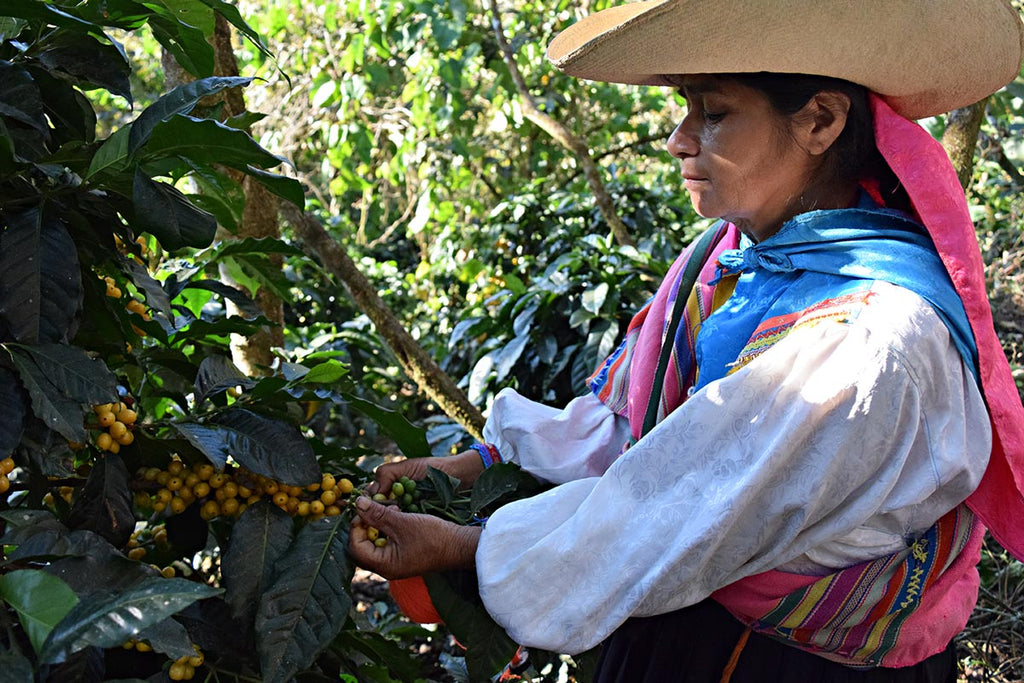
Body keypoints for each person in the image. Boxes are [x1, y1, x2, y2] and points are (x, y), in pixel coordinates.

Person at [349, 0, 1024, 680]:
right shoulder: (726, 256)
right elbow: (644, 430)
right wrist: (472, 464)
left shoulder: (873, 338)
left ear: (820, 120)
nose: (678, 138)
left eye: (714, 112)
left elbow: (682, 504)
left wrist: (467, 546)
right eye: (684, 108)